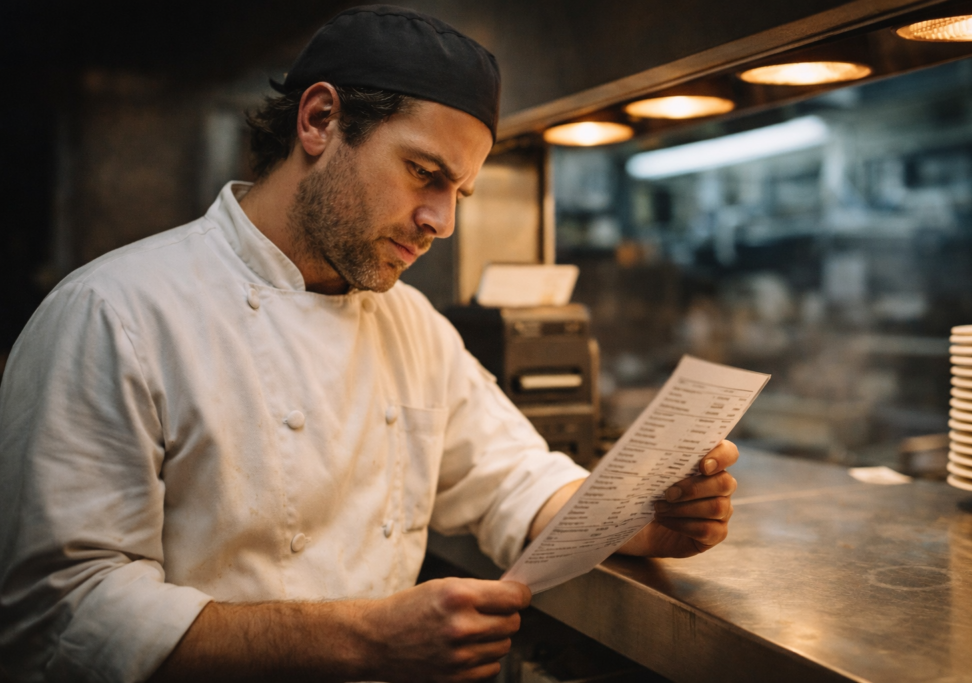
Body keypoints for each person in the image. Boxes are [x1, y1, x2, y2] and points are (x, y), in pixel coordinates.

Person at [0, 5, 739, 682]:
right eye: (425, 173)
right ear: (320, 120)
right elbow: (67, 615)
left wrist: (641, 517)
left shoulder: (410, 324)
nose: (441, 221)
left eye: (460, 192)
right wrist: (366, 639)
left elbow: (514, 477)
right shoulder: (113, 313)